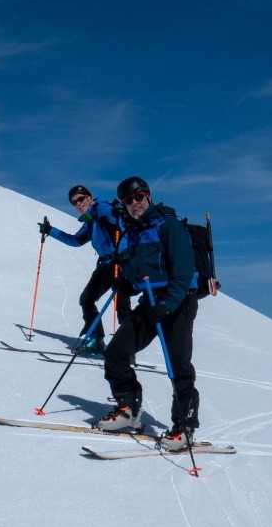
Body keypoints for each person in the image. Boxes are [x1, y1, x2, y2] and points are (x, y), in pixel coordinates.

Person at [93, 176, 201, 447]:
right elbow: (141, 276)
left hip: (178, 301)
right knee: (116, 352)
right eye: (128, 201)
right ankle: (128, 409)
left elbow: (184, 271)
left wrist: (167, 305)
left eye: (138, 197)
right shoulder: (134, 232)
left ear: (148, 196)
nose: (134, 204)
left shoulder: (169, 224)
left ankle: (184, 426)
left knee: (178, 365)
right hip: (151, 302)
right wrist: (125, 285)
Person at [39, 184, 134, 355]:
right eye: (74, 202)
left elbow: (117, 219)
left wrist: (119, 212)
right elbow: (76, 241)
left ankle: (127, 348)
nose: (78, 204)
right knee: (87, 299)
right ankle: (96, 339)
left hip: (121, 262)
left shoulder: (101, 208)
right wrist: (51, 231)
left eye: (81, 199)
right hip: (105, 265)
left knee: (122, 306)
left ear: (89, 198)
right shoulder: (89, 222)